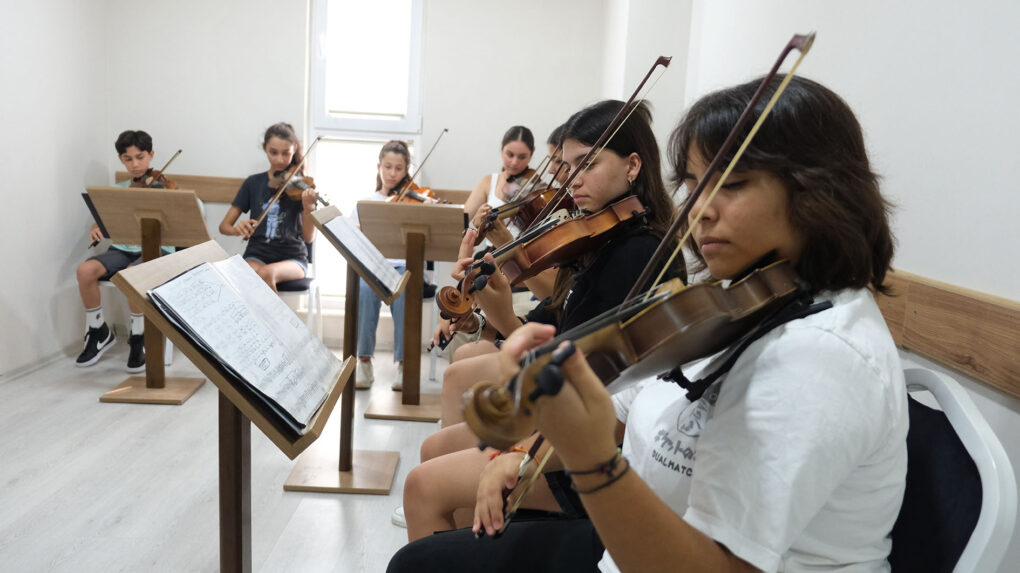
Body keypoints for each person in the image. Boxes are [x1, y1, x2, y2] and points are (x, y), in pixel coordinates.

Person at [389, 75, 906, 573]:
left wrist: (590, 458)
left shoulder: (820, 357)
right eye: (693, 185)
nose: (700, 210)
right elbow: (633, 396)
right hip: (632, 536)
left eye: (734, 183)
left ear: (819, 189)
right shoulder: (746, 299)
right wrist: (527, 448)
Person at [393, 99, 681, 539]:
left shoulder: (637, 253)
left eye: (587, 164)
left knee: (422, 485)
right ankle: (462, 544)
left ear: (633, 165)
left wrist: (507, 322)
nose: (572, 181)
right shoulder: (603, 237)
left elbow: (571, 372)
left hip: (584, 442)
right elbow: (565, 332)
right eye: (568, 167)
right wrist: (502, 318)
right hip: (566, 414)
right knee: (434, 449)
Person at [75, 130, 175, 371]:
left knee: (133, 274)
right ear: (121, 159)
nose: (135, 164)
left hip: (159, 251)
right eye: (128, 159)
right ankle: (98, 331)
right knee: (85, 270)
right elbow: (102, 219)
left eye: (140, 157)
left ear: (151, 155)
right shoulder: (118, 189)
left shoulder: (164, 188)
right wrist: (96, 227)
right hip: (123, 249)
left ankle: (139, 337)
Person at [349, 140, 419, 390]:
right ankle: (364, 363)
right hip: (373, 267)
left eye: (398, 168)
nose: (392, 173)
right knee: (366, 293)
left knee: (403, 295)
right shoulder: (366, 201)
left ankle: (404, 365)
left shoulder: (414, 200)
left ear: (406, 170)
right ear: (378, 166)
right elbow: (353, 237)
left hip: (403, 266)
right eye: (387, 166)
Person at [219, 122, 317, 293]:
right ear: (265, 148)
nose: (279, 159)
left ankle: (272, 320)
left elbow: (308, 238)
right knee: (240, 278)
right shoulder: (253, 183)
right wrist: (237, 230)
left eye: (286, 153)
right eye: (273, 152)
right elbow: (224, 227)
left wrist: (308, 208)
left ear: (294, 149)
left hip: (292, 258)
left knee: (266, 273)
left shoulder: (300, 186)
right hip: (257, 254)